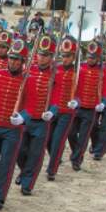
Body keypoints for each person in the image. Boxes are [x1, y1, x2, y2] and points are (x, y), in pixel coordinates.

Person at [14, 36, 55, 195]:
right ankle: (25, 172)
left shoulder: (54, 74)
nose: (41, 57)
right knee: (20, 151)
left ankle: (27, 184)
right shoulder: (28, 71)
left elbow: (58, 98)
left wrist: (52, 111)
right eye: (40, 54)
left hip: (42, 120)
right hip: (25, 118)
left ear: (51, 57)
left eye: (45, 55)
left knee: (35, 154)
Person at [45, 37, 78, 180]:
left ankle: (51, 170)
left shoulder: (78, 72)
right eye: (63, 56)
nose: (65, 59)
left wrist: (76, 101)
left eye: (68, 56)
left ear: (74, 56)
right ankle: (56, 157)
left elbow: (81, 93)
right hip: (53, 110)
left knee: (58, 140)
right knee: (48, 140)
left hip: (67, 112)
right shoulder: (54, 69)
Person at [69, 42, 103, 171]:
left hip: (91, 108)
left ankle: (77, 159)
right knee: (71, 133)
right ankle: (76, 152)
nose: (90, 59)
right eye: (88, 57)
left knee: (83, 136)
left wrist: (102, 102)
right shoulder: (79, 67)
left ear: (98, 58)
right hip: (78, 106)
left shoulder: (101, 71)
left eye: (93, 58)